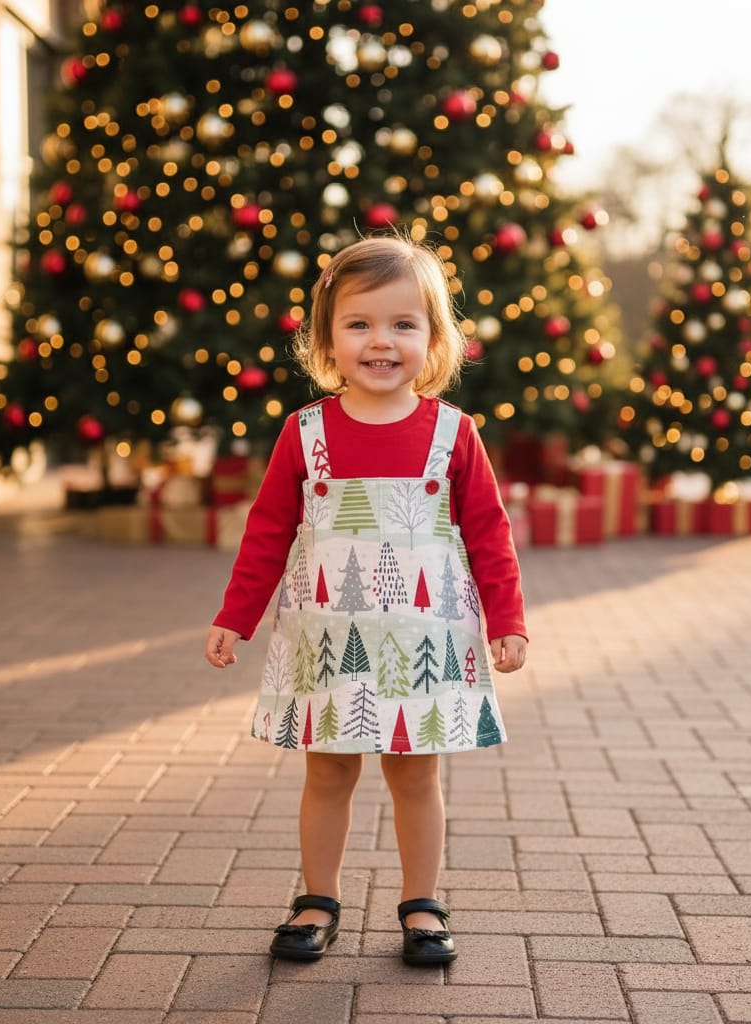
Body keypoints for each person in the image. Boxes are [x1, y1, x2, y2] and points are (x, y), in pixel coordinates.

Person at [205, 234, 527, 965]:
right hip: (328, 642)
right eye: (359, 324)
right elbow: (266, 533)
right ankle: (317, 898)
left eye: (403, 325)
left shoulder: (454, 434)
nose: (381, 341)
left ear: (434, 338)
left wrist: (507, 621)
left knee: (416, 772)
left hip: (423, 642)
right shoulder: (306, 433)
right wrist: (236, 615)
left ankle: (422, 904)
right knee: (328, 771)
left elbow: (488, 532)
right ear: (327, 338)